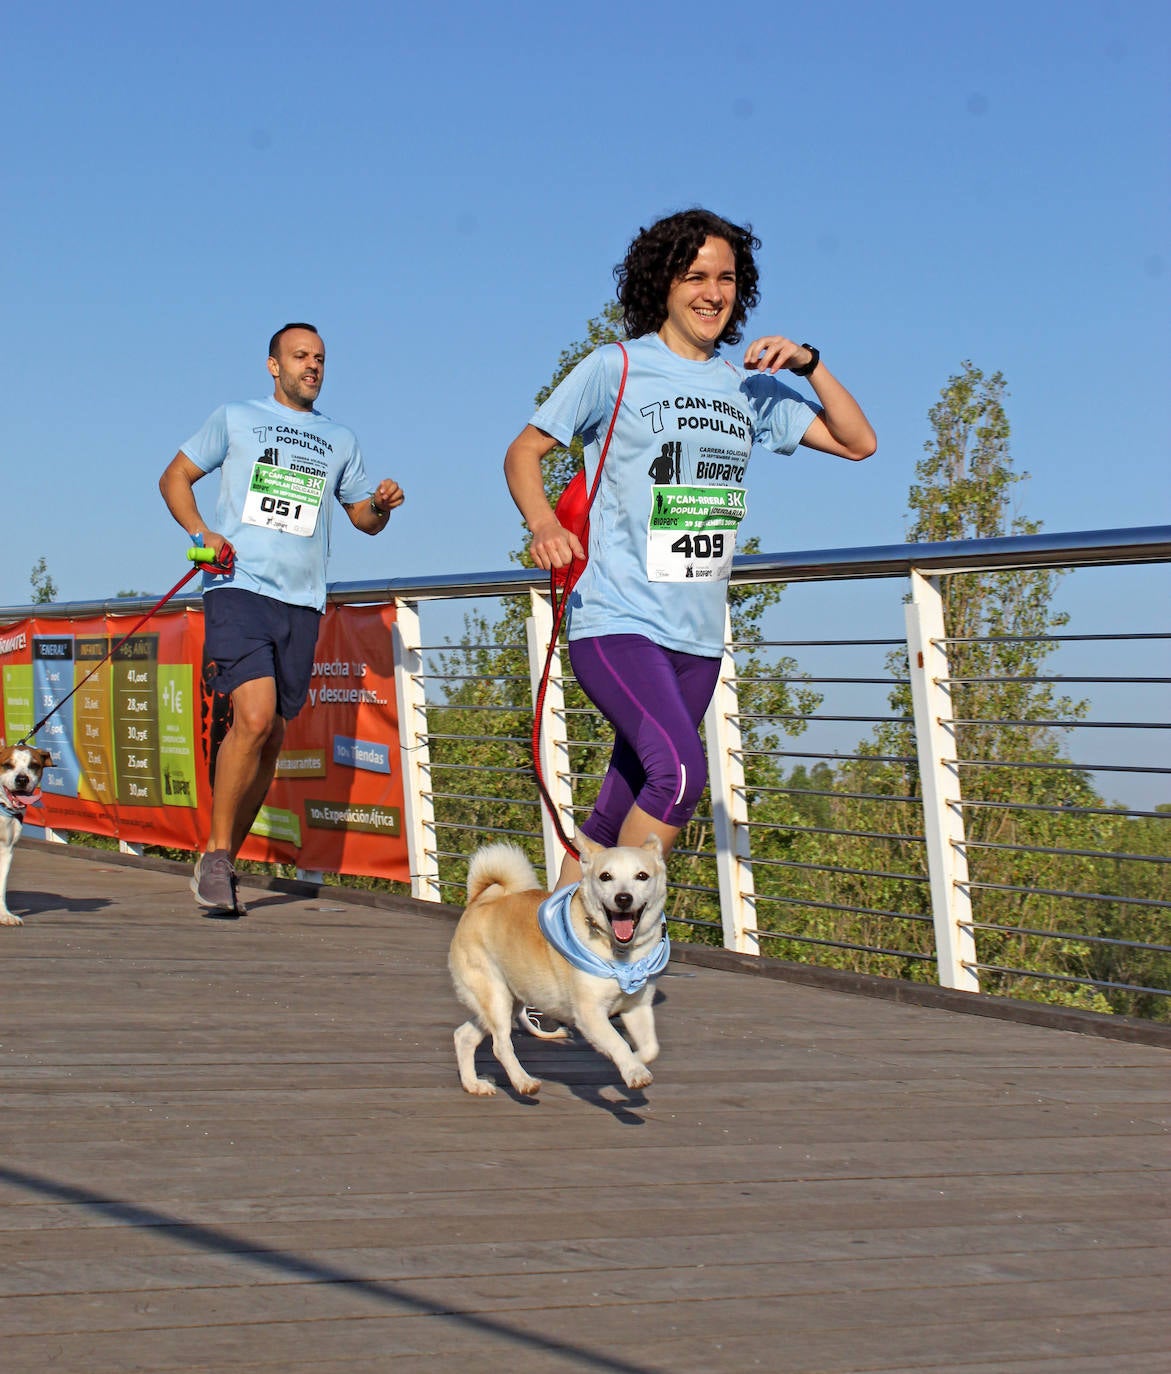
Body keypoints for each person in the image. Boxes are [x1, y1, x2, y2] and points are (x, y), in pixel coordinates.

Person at [505, 209, 875, 900]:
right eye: (695, 276)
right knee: (677, 775)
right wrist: (541, 522)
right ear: (662, 285)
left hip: (698, 633)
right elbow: (524, 451)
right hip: (616, 619)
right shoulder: (614, 367)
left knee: (619, 805)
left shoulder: (748, 388)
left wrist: (809, 363)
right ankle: (600, 944)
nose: (713, 292)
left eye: (726, 278)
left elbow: (858, 442)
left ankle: (549, 951)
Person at [159, 322, 404, 915]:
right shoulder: (236, 417)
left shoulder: (340, 438)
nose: (311, 367)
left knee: (270, 736)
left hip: (302, 601)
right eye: (299, 357)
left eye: (319, 359)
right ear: (273, 365)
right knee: (255, 714)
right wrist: (202, 533)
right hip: (236, 585)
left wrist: (381, 505)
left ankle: (220, 861)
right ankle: (217, 857)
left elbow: (363, 521)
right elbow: (174, 478)